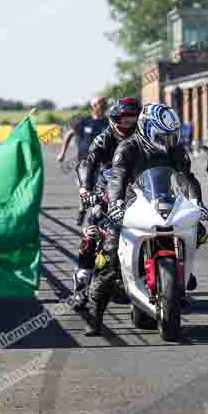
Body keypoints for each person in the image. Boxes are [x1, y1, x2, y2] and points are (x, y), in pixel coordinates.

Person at [85, 103, 207, 336]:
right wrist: (115, 204)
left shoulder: (176, 149)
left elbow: (186, 177)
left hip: (166, 200)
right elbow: (118, 177)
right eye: (164, 136)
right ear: (148, 129)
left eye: (172, 136)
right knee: (108, 256)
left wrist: (197, 201)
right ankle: (95, 314)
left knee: (199, 230)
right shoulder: (127, 147)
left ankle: (182, 277)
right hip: (131, 203)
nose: (169, 141)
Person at [72, 97, 140, 309]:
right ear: (114, 120)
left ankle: (174, 281)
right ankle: (81, 287)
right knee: (91, 232)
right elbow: (87, 162)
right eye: (124, 120)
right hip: (106, 191)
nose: (127, 125)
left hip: (138, 191)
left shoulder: (145, 137)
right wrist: (85, 188)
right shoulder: (105, 138)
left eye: (132, 121)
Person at [57, 96, 108, 225]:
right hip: (84, 163)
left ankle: (94, 216)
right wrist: (62, 153)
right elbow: (69, 134)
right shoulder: (84, 122)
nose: (100, 107)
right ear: (93, 106)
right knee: (85, 188)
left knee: (99, 190)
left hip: (102, 163)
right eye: (97, 104)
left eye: (102, 104)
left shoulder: (108, 123)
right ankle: (82, 210)